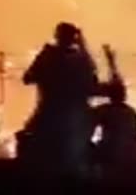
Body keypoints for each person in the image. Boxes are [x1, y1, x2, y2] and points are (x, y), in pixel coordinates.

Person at [19, 22, 102, 176]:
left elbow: (28, 78)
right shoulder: (78, 60)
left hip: (49, 114)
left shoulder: (48, 56)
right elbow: (92, 81)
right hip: (72, 118)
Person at [91, 79, 136, 169]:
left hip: (109, 154)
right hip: (128, 157)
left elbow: (87, 123)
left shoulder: (105, 111)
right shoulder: (132, 113)